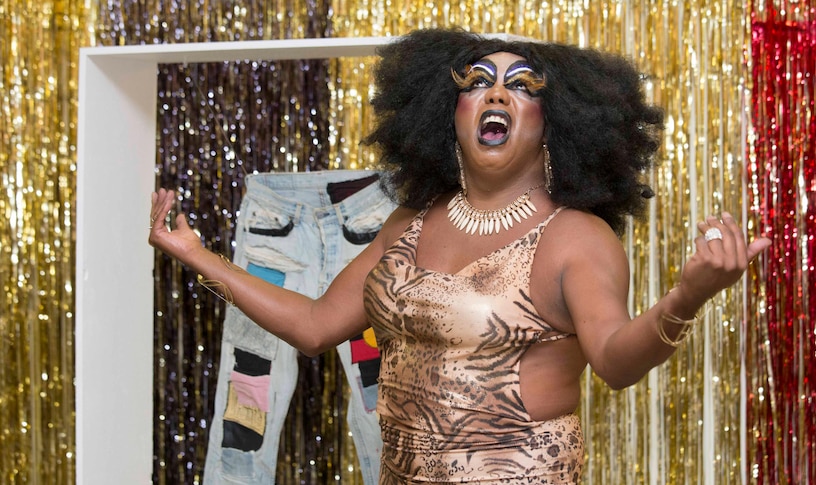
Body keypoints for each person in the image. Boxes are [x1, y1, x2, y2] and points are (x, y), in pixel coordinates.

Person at [149, 29, 771, 484]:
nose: (495, 94)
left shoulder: (575, 238)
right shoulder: (407, 224)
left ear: (553, 122)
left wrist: (687, 296)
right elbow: (314, 328)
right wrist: (198, 255)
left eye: (520, 87)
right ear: (449, 114)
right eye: (476, 83)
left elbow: (614, 361)